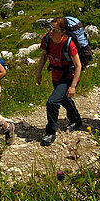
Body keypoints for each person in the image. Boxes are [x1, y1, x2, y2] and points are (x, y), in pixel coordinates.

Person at [35, 17, 82, 146]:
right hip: (56, 75)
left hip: (69, 77)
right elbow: (44, 56)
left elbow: (78, 66)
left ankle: (50, 132)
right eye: (50, 28)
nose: (51, 32)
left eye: (54, 30)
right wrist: (39, 73)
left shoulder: (69, 44)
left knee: (52, 102)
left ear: (63, 31)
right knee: (63, 98)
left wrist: (72, 86)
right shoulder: (46, 40)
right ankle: (76, 120)